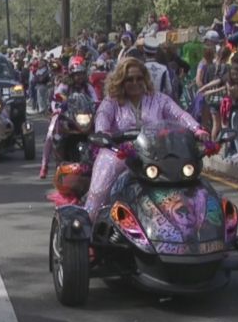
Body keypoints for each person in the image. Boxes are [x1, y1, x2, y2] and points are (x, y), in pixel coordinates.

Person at [83, 58, 209, 220]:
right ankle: (89, 222)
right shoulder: (111, 102)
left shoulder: (159, 99)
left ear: (145, 79)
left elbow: (179, 115)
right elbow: (102, 120)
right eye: (129, 79)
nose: (135, 82)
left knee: (191, 181)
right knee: (99, 190)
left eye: (139, 78)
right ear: (121, 80)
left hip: (156, 154)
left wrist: (196, 129)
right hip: (118, 153)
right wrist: (103, 134)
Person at [40, 56, 98, 178]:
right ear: (71, 74)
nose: (79, 77)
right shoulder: (65, 85)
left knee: (99, 134)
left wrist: (98, 107)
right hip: (67, 117)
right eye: (77, 74)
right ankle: (44, 165)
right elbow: (56, 97)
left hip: (84, 119)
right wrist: (57, 108)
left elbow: (95, 100)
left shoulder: (88, 87)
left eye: (81, 74)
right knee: (51, 134)